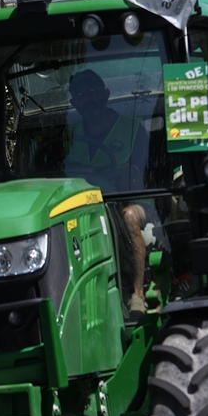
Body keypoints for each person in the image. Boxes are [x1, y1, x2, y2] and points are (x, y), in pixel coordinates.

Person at [66, 70, 151, 314]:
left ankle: (136, 293)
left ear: (105, 95)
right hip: (84, 204)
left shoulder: (133, 128)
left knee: (128, 218)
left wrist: (99, 174)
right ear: (74, 104)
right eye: (81, 95)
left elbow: (138, 173)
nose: (88, 100)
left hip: (133, 201)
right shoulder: (69, 134)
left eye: (93, 93)